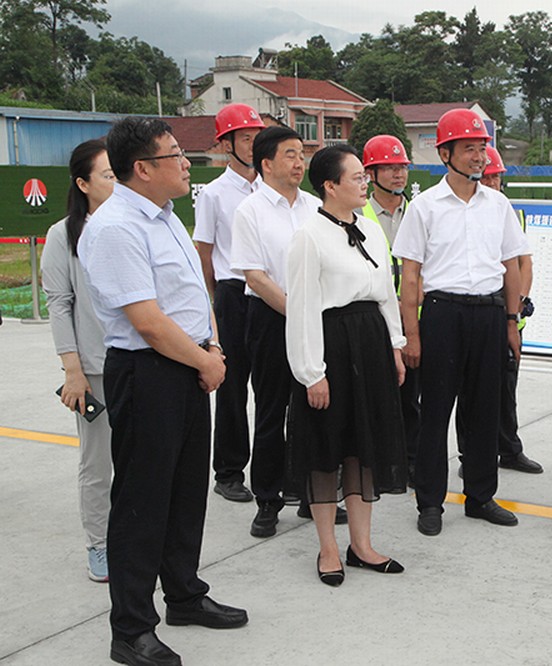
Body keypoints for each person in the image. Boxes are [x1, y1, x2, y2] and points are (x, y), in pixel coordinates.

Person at [79, 117, 247, 666]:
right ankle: (131, 629)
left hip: (191, 364)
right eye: (175, 155)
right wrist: (205, 361)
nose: (186, 164)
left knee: (185, 492)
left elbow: (196, 293)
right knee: (141, 503)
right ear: (143, 168)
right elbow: (148, 322)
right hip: (148, 372)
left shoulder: (167, 215)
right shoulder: (116, 227)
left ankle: (184, 594)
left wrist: (212, 349)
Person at [393, 108, 528, 536]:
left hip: (489, 315)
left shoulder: (498, 205)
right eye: (469, 148)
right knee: (436, 411)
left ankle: (481, 496)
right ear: (445, 153)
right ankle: (430, 502)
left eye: (482, 148)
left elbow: (511, 266)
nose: (479, 156)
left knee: (485, 410)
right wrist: (411, 334)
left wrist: (511, 322)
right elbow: (410, 275)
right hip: (442, 314)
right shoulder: (425, 207)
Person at [286, 144, 408, 586]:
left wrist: (395, 346)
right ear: (330, 186)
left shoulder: (370, 229)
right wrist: (311, 372)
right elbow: (302, 309)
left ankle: (362, 545)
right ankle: (328, 549)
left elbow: (386, 294)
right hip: (331, 347)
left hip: (371, 344)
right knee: (326, 449)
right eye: (356, 177)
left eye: (363, 176)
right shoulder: (309, 236)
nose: (364, 183)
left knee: (364, 447)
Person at [230, 126, 321, 538]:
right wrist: (296, 313)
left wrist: (310, 316)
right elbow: (255, 275)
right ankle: (267, 500)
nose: (300, 162)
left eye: (301, 154)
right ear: (266, 163)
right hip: (270, 317)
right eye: (290, 154)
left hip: (314, 317)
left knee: (314, 409)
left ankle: (312, 495)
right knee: (271, 410)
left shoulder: (316, 207)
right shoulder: (249, 211)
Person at [41, 139, 116, 582]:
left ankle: (134, 536)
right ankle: (99, 543)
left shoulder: (134, 224)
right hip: (94, 368)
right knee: (97, 462)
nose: (115, 181)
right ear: (83, 184)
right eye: (107, 175)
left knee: (140, 460)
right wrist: (73, 371)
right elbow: (60, 303)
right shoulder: (63, 235)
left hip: (140, 363)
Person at [193, 103, 265, 503]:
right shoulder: (214, 194)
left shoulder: (271, 189)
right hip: (233, 293)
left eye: (257, 138)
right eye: (245, 138)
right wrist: (217, 296)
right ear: (226, 145)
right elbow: (204, 252)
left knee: (273, 384)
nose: (253, 145)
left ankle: (274, 468)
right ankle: (229, 471)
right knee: (233, 386)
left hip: (268, 293)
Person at [457, 145, 544, 475]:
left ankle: (509, 449)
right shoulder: (466, 211)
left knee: (506, 389)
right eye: (488, 177)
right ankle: (469, 455)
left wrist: (519, 301)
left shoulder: (508, 212)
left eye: (497, 178)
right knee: (470, 391)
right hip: (478, 309)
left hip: (507, 314)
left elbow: (524, 263)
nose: (493, 183)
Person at [359, 134, 421, 476]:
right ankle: (377, 461)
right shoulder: (358, 214)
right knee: (374, 395)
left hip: (415, 318)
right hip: (374, 318)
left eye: (402, 167)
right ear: (371, 174)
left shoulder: (420, 212)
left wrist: (413, 300)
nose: (398, 174)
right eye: (389, 167)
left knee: (411, 397)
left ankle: (409, 460)